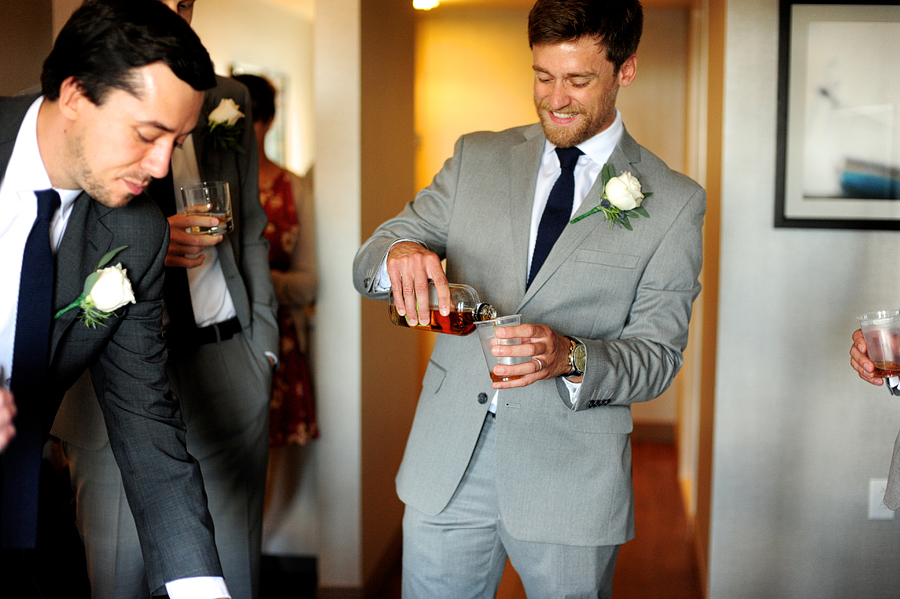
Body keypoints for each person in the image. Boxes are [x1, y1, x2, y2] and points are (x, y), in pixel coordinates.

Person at [352, 0, 705, 597]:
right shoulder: (475, 157)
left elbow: (658, 356)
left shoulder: (672, 201)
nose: (555, 98)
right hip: (447, 463)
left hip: (571, 481)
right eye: (543, 76)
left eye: (578, 80)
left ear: (626, 71)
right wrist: (399, 254)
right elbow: (373, 254)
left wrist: (571, 355)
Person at [51, 1, 279, 598]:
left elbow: (250, 227)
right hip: (110, 382)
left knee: (229, 574)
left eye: (184, 3)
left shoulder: (228, 100)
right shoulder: (64, 114)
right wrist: (148, 239)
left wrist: (265, 348)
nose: (174, 14)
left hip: (228, 361)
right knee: (116, 580)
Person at [0, 1, 227, 598]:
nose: (158, 167)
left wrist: (199, 588)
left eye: (175, 143)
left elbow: (145, 423)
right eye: (147, 134)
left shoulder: (137, 233)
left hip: (24, 520)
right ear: (74, 93)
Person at [233, 73, 318, 447]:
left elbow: (310, 281)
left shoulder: (294, 188)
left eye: (245, 119)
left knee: (265, 460)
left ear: (266, 122)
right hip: (216, 338)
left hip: (275, 334)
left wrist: (256, 281)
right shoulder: (204, 190)